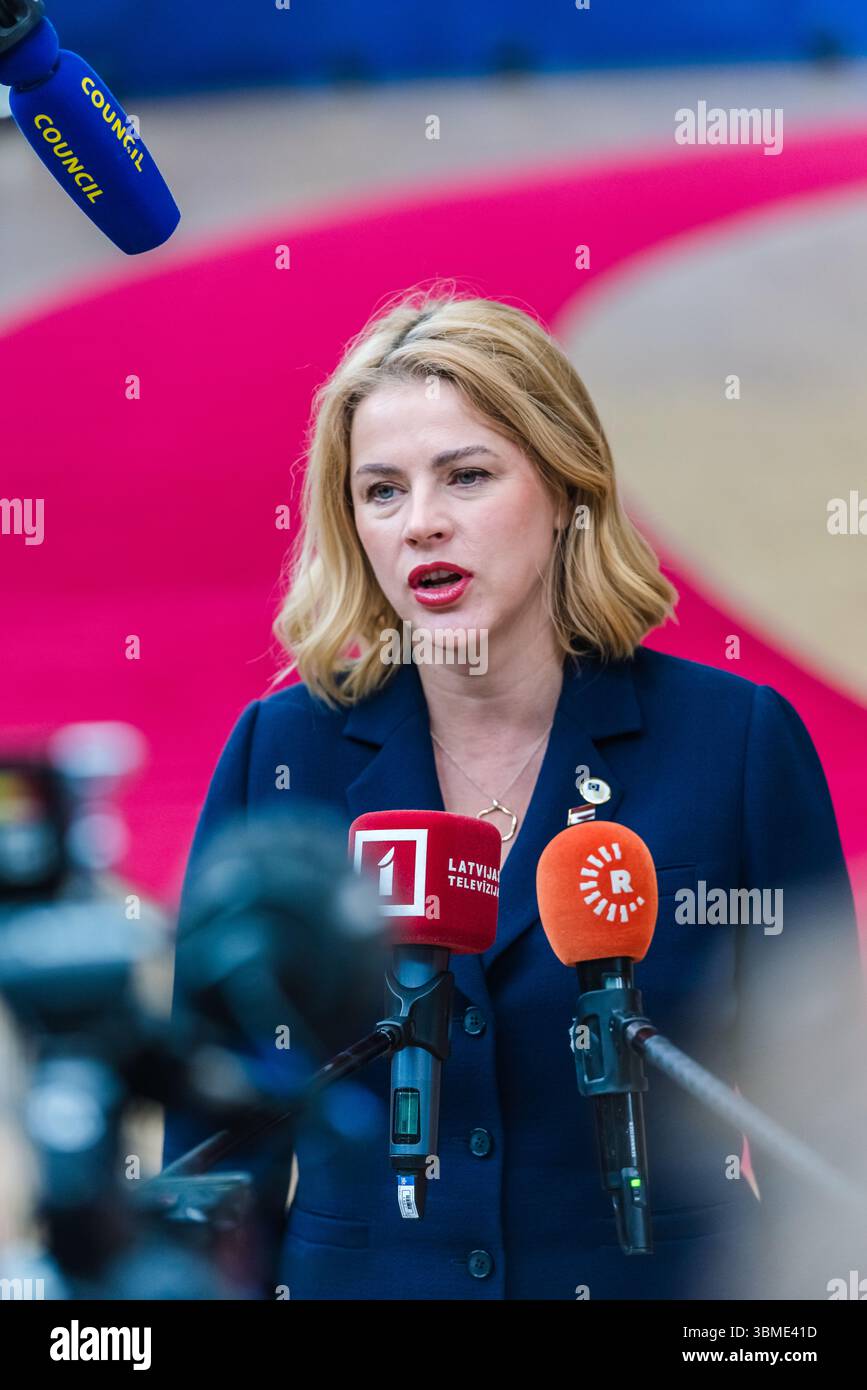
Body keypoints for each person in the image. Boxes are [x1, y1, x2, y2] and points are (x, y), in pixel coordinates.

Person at [162, 288, 865, 1301]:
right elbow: (213, 1149)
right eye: (383, 491)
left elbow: (824, 1132)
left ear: (567, 489)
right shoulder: (281, 756)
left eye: (468, 476)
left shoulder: (737, 745)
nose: (423, 524)